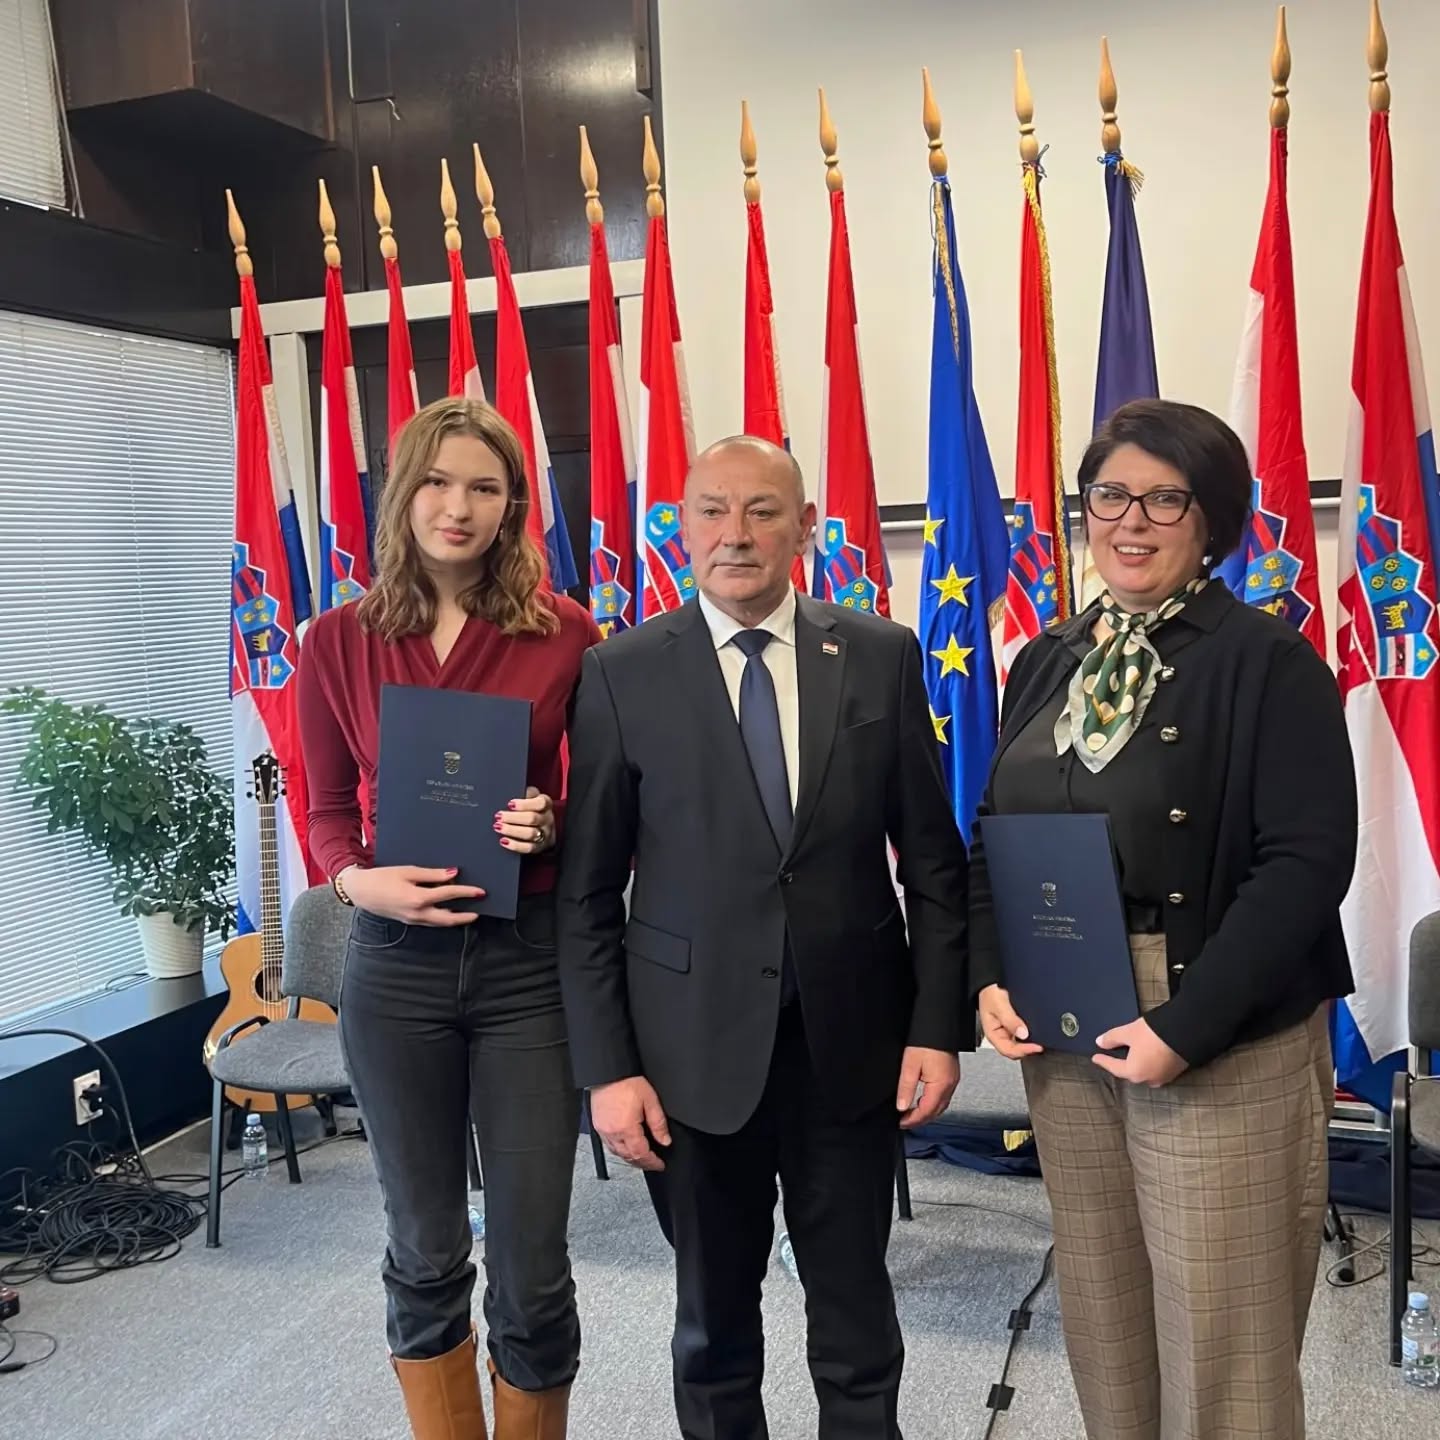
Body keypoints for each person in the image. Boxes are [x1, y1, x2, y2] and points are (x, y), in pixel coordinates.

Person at [556, 434, 969, 1439]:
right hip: (688, 1060)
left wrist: (936, 1028)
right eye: (711, 511)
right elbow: (587, 894)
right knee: (712, 1329)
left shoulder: (878, 653)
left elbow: (933, 864)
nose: (734, 534)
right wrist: (608, 1070)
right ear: (681, 525)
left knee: (857, 1320)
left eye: (762, 511)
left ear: (805, 528)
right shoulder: (619, 672)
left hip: (851, 1050)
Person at [969, 398, 1357, 1439]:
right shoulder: (1046, 659)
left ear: (1212, 519)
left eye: (1164, 499)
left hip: (1214, 1021)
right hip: (1065, 1015)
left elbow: (1307, 865)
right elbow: (993, 832)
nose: (1130, 521)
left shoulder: (1269, 662)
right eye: (1109, 495)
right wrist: (992, 974)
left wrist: (1187, 1027)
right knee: (1105, 1313)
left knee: (1223, 1339)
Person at [297, 396, 600, 1440]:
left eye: (483, 487)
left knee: (532, 1257)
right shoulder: (336, 640)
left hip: (527, 965)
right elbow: (325, 808)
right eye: (436, 481)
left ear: (513, 504)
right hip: (394, 969)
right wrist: (355, 883)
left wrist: (549, 820)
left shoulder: (564, 634)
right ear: (402, 492)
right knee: (424, 1246)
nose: (457, 507)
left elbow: (599, 802)